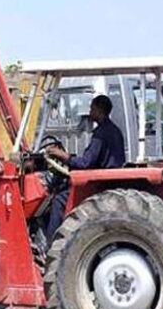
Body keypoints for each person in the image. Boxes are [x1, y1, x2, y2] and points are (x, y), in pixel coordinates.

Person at [45, 95, 126, 241]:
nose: (89, 112)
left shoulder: (101, 133)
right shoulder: (114, 130)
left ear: (99, 110)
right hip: (108, 179)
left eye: (92, 109)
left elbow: (86, 163)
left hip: (99, 184)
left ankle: (50, 243)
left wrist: (63, 156)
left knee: (59, 199)